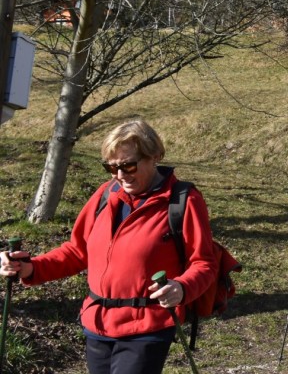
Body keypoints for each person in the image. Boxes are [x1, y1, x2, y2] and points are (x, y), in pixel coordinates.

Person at [0, 120, 216, 374]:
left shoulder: (183, 200)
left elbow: (204, 263)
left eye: (128, 165)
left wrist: (182, 287)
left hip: (147, 327)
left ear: (154, 156)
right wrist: (30, 268)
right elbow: (77, 251)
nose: (120, 175)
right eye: (112, 167)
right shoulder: (106, 194)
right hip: (98, 325)